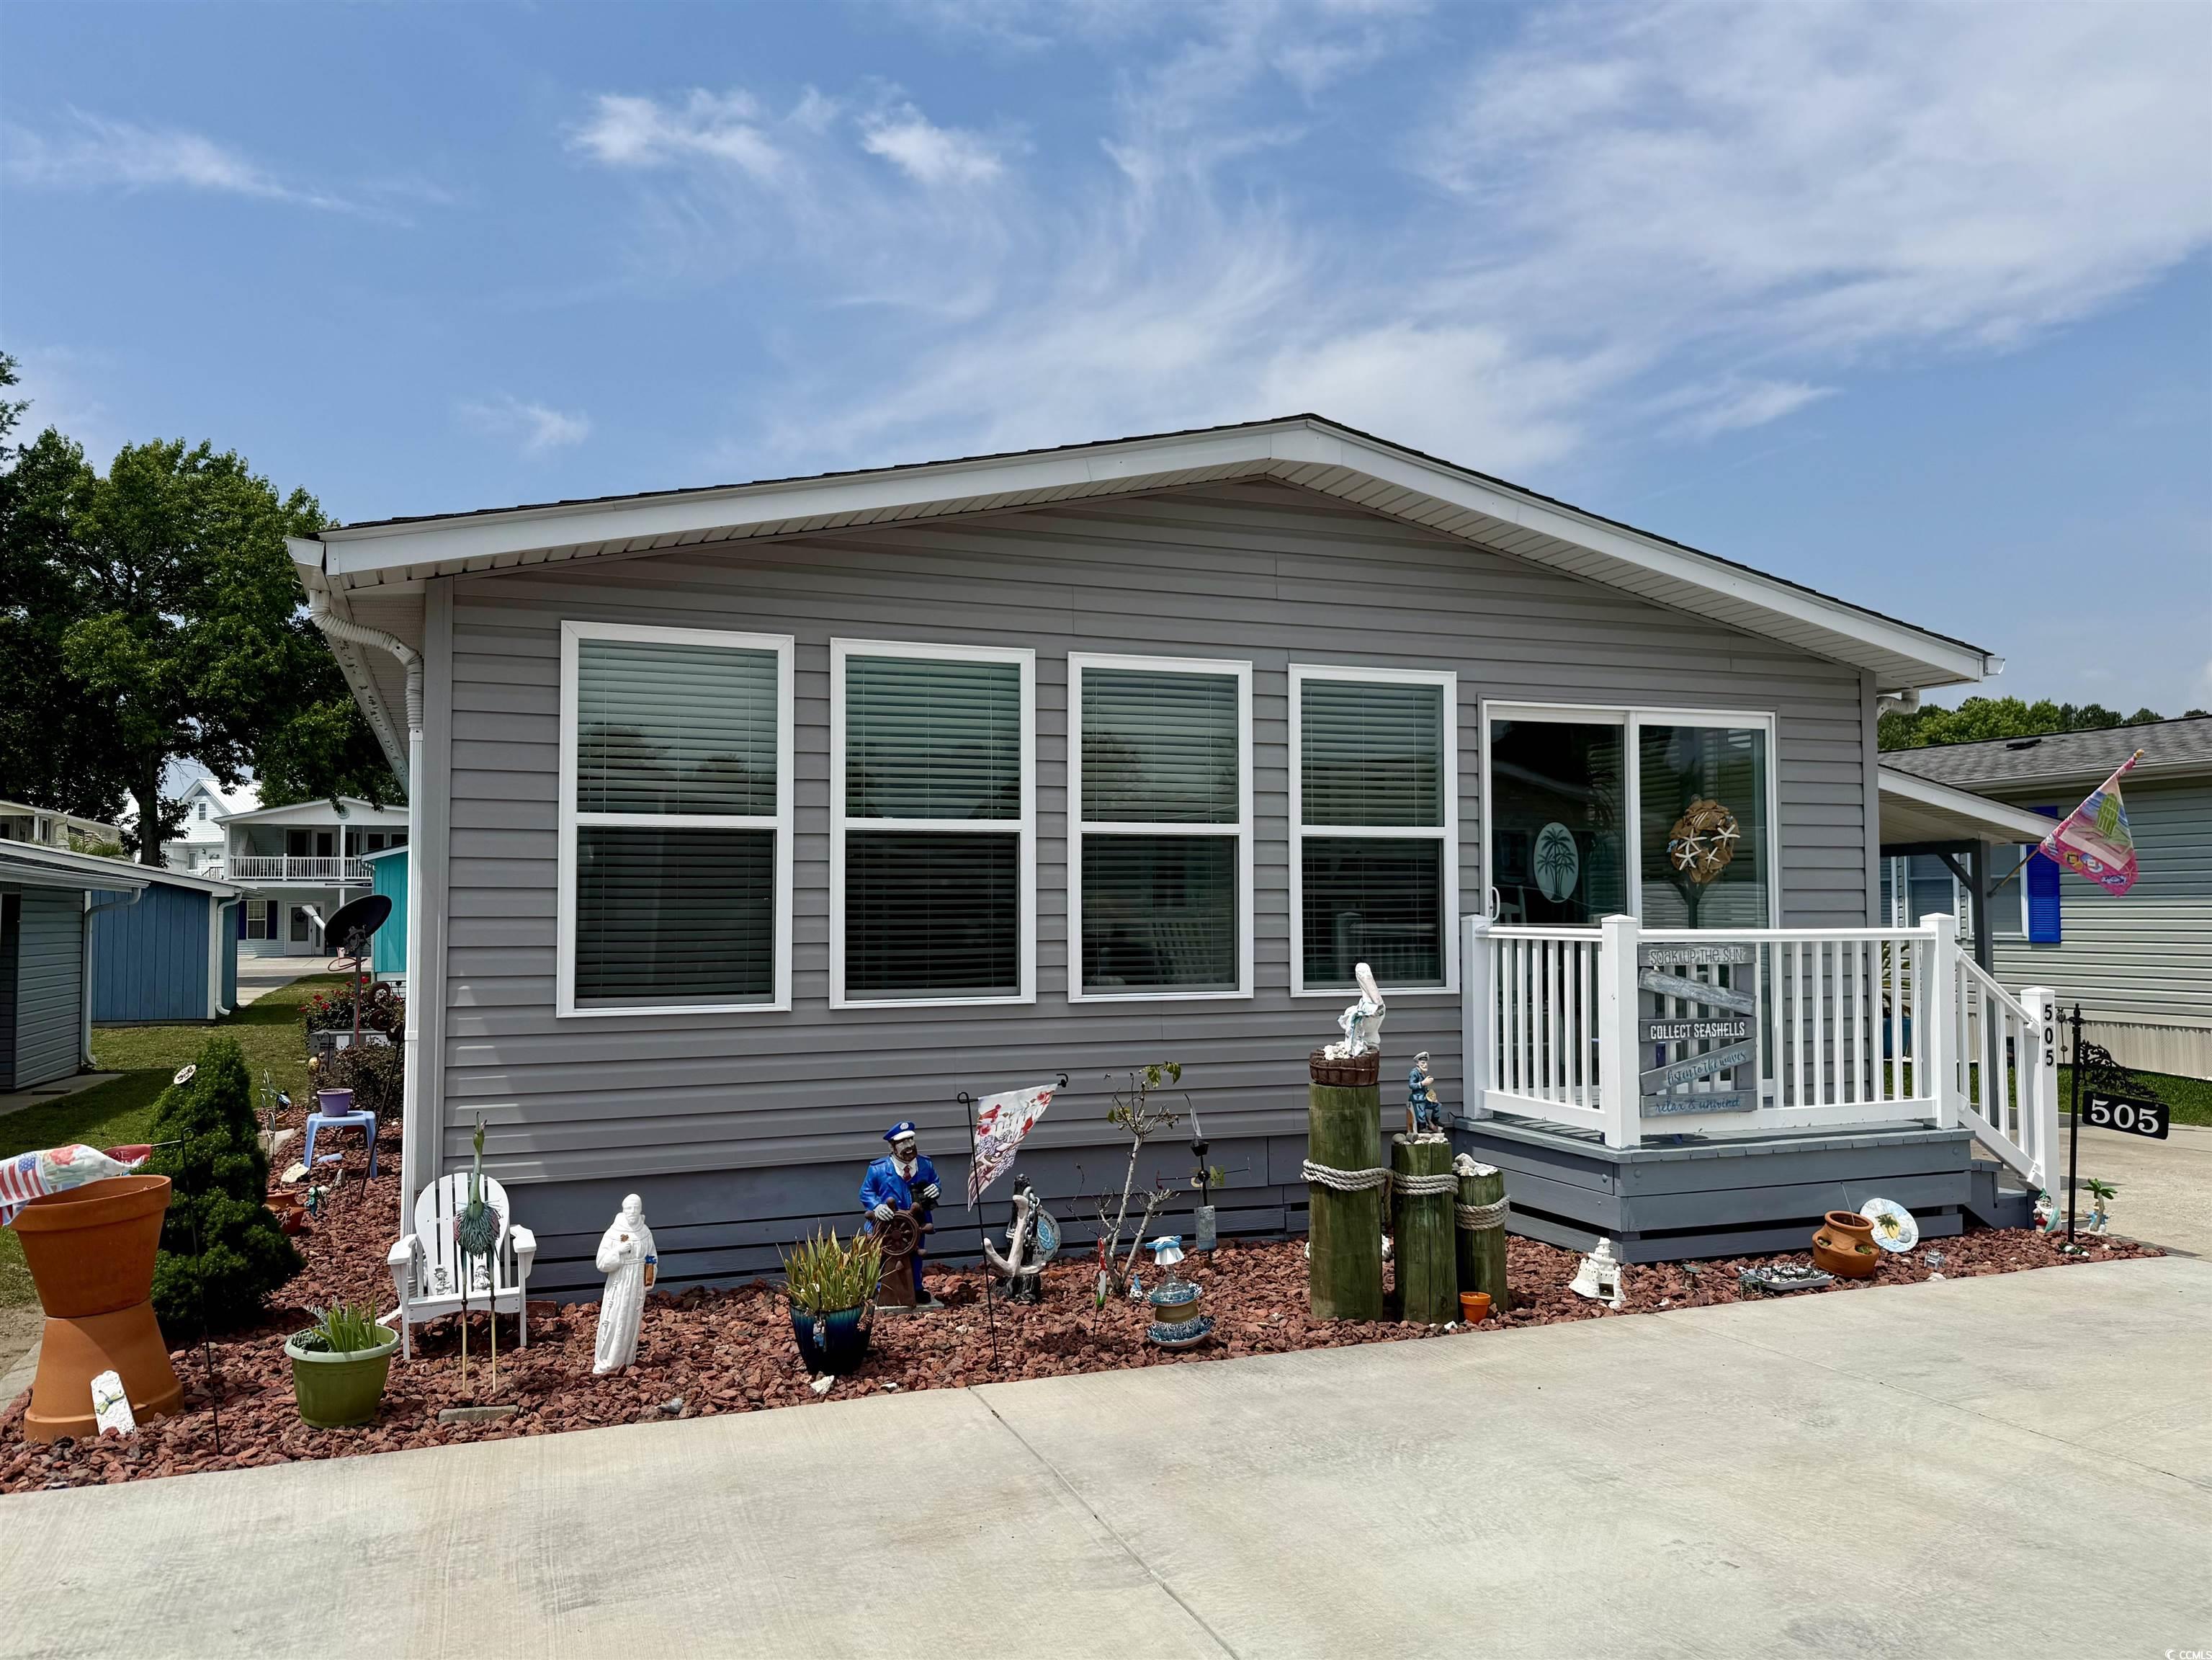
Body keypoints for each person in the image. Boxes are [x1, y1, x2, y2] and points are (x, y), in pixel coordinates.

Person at [861, 1122, 941, 1306]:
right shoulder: (878, 1169)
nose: (909, 1145)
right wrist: (877, 1206)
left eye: (911, 1140)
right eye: (903, 1142)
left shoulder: (925, 1165)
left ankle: (916, 1287)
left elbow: (935, 1182)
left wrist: (936, 1189)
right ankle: (881, 1288)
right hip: (887, 1224)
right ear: (892, 1147)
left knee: (915, 1254)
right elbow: (866, 1192)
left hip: (915, 1224)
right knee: (883, 1256)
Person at [593, 1193, 655, 1374]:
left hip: (637, 1282)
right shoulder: (614, 1233)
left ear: (641, 1209)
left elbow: (651, 1257)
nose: (633, 1211)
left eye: (636, 1208)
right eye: (629, 1208)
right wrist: (618, 1251)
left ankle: (626, 1359)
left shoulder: (645, 1232)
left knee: (631, 1319)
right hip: (620, 1282)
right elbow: (601, 1262)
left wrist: (648, 1278)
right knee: (615, 1318)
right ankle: (608, 1360)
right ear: (624, 1209)